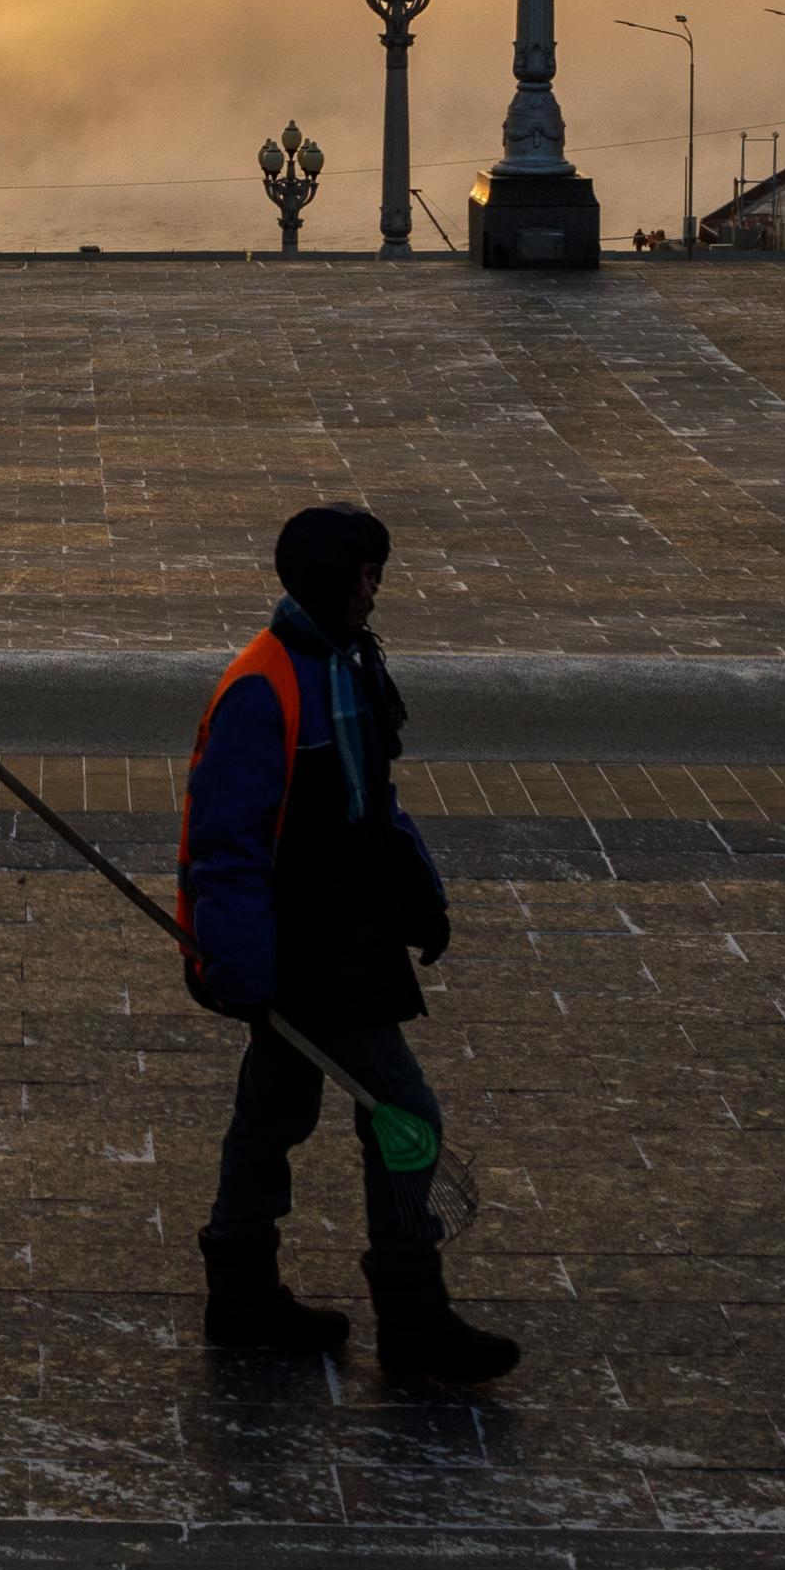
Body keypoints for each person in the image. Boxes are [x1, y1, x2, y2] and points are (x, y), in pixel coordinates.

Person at [174, 502, 517, 1384]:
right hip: (306, 951)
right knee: (407, 1114)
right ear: (327, 578)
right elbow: (227, 844)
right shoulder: (267, 684)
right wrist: (240, 964)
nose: (375, 589)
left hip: (350, 933)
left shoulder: (348, 665)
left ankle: (241, 1291)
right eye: (364, 573)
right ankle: (413, 1314)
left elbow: (374, 806)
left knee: (275, 1110)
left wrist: (420, 898)